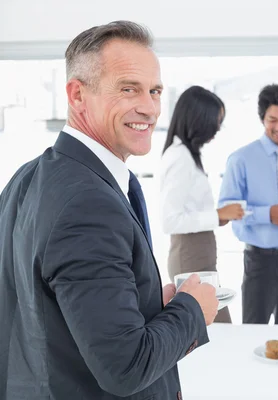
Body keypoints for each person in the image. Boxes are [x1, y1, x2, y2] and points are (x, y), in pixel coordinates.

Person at [0, 21, 218, 399]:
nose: (149, 108)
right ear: (77, 95)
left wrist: (152, 305)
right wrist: (192, 312)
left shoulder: (29, 175)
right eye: (128, 89)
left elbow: (54, 308)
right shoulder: (88, 204)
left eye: (154, 91)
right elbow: (125, 367)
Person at [218, 83, 278, 325]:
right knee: (253, 333)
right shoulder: (241, 159)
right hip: (260, 262)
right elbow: (227, 209)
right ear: (263, 118)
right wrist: (266, 214)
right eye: (273, 119)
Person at [160, 86, 244, 324]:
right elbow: (169, 220)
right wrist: (217, 215)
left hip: (197, 257)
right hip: (190, 257)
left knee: (213, 331)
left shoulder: (187, 155)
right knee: (218, 331)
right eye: (215, 122)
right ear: (198, 119)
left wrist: (219, 216)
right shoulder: (180, 158)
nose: (217, 129)